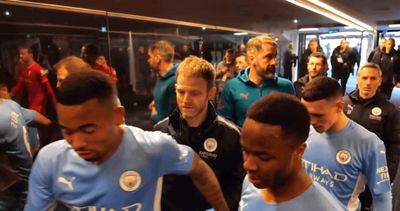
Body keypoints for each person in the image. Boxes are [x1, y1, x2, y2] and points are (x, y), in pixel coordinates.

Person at [25, 71, 230, 211]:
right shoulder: (50, 160)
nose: (77, 143)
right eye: (67, 131)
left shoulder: (154, 147)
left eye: (88, 129)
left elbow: (199, 169)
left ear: (117, 116)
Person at [154, 56, 244, 211]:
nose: (186, 100)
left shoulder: (231, 135)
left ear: (211, 93)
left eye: (195, 93)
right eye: (181, 91)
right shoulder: (160, 132)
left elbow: (237, 186)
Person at [239, 92, 344, 211]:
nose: (248, 165)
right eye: (246, 151)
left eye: (263, 157)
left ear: (299, 150)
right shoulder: (252, 181)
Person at [301, 76, 392, 211]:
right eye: (308, 114)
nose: (312, 121)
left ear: (339, 107)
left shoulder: (369, 143)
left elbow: (382, 197)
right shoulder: (305, 132)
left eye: (318, 115)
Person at [343, 63, 400, 210]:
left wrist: (388, 175)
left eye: (373, 78)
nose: (368, 82)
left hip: (370, 172)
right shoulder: (343, 104)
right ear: (358, 79)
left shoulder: (390, 110)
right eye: (364, 78)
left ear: (379, 81)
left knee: (364, 207)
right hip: (343, 168)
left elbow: (394, 145)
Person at [218, 35, 294, 127]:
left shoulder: (286, 86)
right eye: (268, 57)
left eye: (275, 57)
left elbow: (293, 123)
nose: (274, 62)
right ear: (252, 59)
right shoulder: (232, 86)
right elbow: (225, 124)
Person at [0, 93, 51, 210]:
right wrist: (36, 145)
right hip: (30, 185)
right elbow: (44, 121)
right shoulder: (10, 105)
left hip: (12, 195)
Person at [11, 47, 57, 115]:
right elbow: (19, 85)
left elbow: (48, 88)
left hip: (39, 101)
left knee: (34, 118)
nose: (20, 56)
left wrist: (55, 104)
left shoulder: (38, 69)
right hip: (31, 100)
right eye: (20, 54)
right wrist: (10, 94)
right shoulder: (25, 70)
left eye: (23, 54)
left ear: (30, 55)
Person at [148, 40, 178, 124]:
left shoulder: (175, 80)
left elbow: (173, 116)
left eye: (150, 57)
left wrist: (154, 116)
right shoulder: (161, 77)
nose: (148, 60)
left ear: (157, 58)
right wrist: (156, 103)